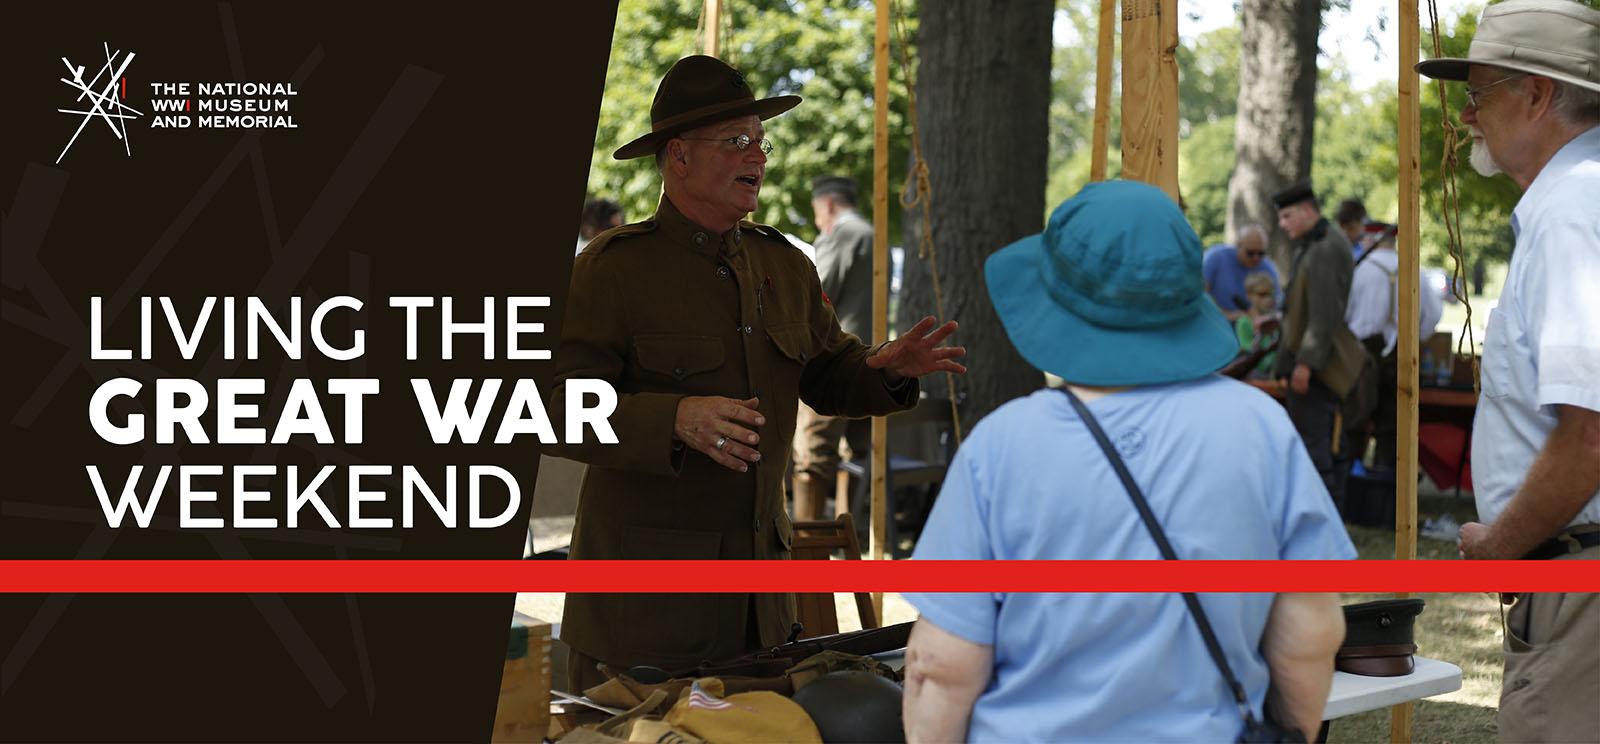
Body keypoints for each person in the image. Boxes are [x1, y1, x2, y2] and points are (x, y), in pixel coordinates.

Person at [547, 55, 966, 692]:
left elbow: (827, 375)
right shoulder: (612, 270)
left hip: (761, 611)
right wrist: (674, 418)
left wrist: (883, 368)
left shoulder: (784, 265)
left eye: (761, 141)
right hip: (643, 618)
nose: (759, 157)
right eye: (737, 141)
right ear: (678, 156)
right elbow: (547, 407)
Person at [899, 181, 1353, 743]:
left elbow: (941, 667)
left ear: (1054, 302)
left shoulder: (1001, 447)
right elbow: (1310, 632)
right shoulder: (1261, 428)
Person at [1417, 2, 1600, 740]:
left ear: (1536, 94)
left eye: (1477, 92)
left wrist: (1499, 544)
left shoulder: (1572, 211)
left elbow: (1589, 434)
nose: (1465, 116)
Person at [1273, 182, 1362, 510]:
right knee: (1319, 447)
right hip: (1315, 364)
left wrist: (1305, 364)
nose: (1283, 224)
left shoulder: (1325, 247)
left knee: (1315, 449)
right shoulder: (1317, 244)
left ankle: (1321, 521)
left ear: (1308, 211)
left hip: (1318, 368)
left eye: (1287, 216)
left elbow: (1324, 314)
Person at [791, 175, 874, 521]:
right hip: (868, 360)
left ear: (826, 204)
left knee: (812, 457)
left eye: (817, 212)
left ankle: (808, 557)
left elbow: (813, 295)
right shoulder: (872, 234)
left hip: (834, 361)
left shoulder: (843, 234)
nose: (817, 221)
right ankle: (844, 544)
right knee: (854, 455)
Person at [1201, 224, 1279, 320]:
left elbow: (1277, 303)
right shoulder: (1215, 258)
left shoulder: (1268, 268)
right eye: (1250, 253)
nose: (1256, 258)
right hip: (1217, 323)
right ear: (1238, 245)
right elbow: (1200, 295)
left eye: (1261, 253)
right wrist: (1229, 316)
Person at [1235, 272, 1281, 380]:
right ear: (1249, 295)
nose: (1268, 299)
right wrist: (1259, 334)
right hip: (1255, 374)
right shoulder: (1244, 322)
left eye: (1271, 294)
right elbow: (1248, 353)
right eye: (1262, 295)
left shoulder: (1276, 320)